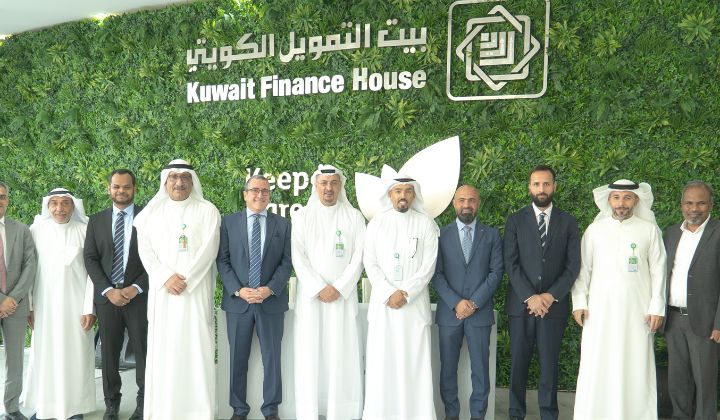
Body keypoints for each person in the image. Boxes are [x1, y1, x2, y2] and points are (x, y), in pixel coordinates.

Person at [571, 179, 666, 419]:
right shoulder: (594, 231)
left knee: (635, 366)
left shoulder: (649, 230)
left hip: (638, 314)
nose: (621, 203)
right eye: (616, 197)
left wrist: (657, 307)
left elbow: (659, 270)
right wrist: (579, 302)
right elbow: (583, 270)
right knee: (598, 365)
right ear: (609, 200)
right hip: (598, 314)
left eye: (627, 197)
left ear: (636, 200)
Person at [133, 159, 220, 420]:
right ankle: (165, 411)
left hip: (195, 294)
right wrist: (165, 278)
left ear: (192, 182)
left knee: (196, 350)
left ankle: (199, 412)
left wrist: (186, 279)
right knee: (166, 352)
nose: (179, 182)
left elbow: (209, 250)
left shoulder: (208, 211)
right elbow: (146, 252)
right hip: (164, 295)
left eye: (184, 177)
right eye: (173, 177)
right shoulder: (151, 214)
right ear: (165, 181)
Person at [503, 165, 580, 420]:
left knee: (549, 367)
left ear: (554, 186)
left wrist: (548, 296)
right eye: (536, 184)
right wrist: (531, 297)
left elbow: (572, 266)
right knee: (518, 365)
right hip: (520, 306)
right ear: (529, 187)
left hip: (552, 307)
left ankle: (549, 414)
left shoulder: (568, 222)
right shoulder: (515, 220)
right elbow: (510, 263)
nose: (541, 189)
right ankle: (515, 414)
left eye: (546, 184)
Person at [291, 165, 365, 420]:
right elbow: (298, 257)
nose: (329, 188)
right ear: (316, 185)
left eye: (333, 183)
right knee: (311, 355)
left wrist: (339, 287)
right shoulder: (302, 217)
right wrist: (319, 288)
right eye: (324, 183)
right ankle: (310, 412)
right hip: (311, 299)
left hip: (342, 300)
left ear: (340, 186)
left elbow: (359, 257)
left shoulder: (354, 217)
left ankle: (341, 412)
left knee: (342, 355)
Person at [362, 175, 438, 420]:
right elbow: (370, 262)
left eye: (407, 191)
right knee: (382, 365)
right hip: (384, 307)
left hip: (413, 308)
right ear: (390, 195)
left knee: (413, 366)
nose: (403, 195)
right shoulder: (377, 224)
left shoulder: (426, 224)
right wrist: (388, 292)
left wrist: (406, 293)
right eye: (398, 191)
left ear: (414, 195)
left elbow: (428, 266)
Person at [216, 174, 291, 420]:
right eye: (255, 190)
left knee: (272, 358)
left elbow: (287, 262)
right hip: (239, 303)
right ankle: (239, 410)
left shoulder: (283, 224)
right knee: (237, 359)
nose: (260, 195)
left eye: (265, 191)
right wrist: (239, 290)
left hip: (271, 302)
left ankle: (271, 410)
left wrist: (270, 289)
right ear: (245, 194)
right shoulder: (228, 223)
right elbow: (222, 261)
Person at [22, 188, 96, 419]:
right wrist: (30, 306)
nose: (59, 209)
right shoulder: (36, 230)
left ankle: (75, 409)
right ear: (48, 206)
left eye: (65, 203)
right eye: (54, 203)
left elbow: (93, 274)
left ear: (73, 206)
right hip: (44, 307)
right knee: (45, 357)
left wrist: (89, 308)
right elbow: (29, 271)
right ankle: (44, 407)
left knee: (76, 356)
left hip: (77, 308)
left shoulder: (85, 230)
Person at [432, 185, 503, 420]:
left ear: (478, 203)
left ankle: (478, 416)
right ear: (454, 203)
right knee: (447, 371)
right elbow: (436, 275)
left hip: (479, 314)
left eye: (471, 200)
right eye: (462, 200)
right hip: (449, 314)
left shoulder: (491, 235)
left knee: (481, 371)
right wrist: (456, 303)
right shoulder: (440, 235)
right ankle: (451, 415)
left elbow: (496, 273)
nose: (466, 205)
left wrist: (473, 303)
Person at [83, 169, 148, 420]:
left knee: (143, 352)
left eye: (126, 187)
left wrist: (135, 287)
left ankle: (143, 404)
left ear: (134, 188)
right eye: (116, 186)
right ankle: (112, 404)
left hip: (138, 298)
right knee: (109, 355)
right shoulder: (96, 220)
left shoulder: (148, 217)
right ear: (109, 189)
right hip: (107, 299)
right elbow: (90, 258)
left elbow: (157, 257)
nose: (121, 191)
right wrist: (108, 290)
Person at [662, 180, 720, 420]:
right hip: (673, 319)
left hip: (705, 321)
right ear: (681, 205)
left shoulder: (718, 232)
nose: (694, 208)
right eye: (689, 203)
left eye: (701, 203)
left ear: (711, 205)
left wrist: (719, 323)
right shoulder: (671, 233)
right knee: (678, 379)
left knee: (704, 381)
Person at [0, 181, 37, 420]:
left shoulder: (21, 230)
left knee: (15, 361)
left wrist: (12, 298)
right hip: (6, 302)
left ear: (8, 200)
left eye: (2, 196)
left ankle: (12, 408)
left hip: (16, 305)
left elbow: (30, 264)